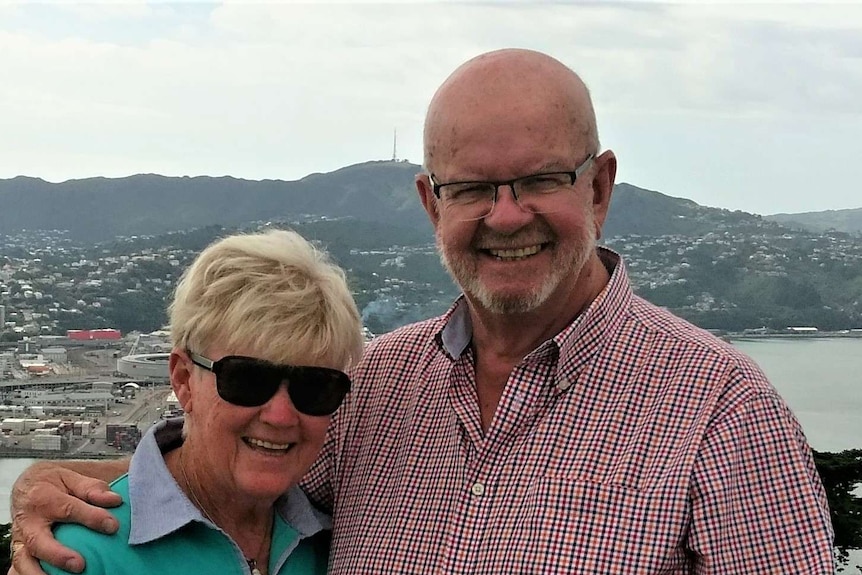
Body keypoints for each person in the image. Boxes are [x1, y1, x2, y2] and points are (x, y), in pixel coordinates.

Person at [9, 49, 834, 574]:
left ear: (602, 186)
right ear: (430, 202)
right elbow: (236, 471)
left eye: (542, 178)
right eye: (473, 187)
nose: (506, 216)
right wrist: (64, 487)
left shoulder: (724, 411)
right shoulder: (371, 384)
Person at [27, 229, 364, 575]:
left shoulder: (338, 543)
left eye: (314, 387)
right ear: (184, 380)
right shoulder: (80, 556)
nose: (280, 416)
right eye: (248, 380)